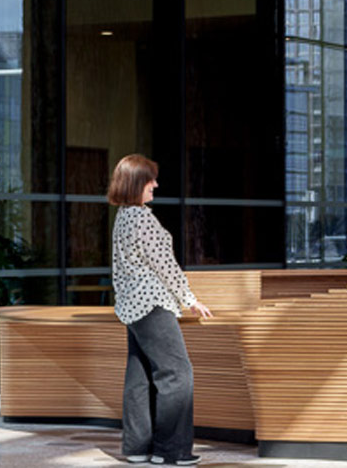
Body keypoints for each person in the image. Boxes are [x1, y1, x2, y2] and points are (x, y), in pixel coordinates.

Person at [109, 154, 211, 466]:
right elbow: (165, 266)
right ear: (135, 183)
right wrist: (189, 298)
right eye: (150, 180)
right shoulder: (141, 218)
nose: (155, 184)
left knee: (139, 378)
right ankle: (172, 451)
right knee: (177, 374)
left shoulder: (123, 217)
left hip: (131, 307)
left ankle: (137, 448)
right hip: (152, 305)